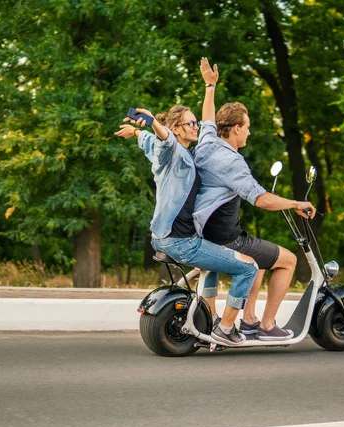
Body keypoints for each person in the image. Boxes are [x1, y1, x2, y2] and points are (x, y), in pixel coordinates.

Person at [114, 65, 258, 346]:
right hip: (181, 242)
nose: (197, 126)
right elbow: (164, 139)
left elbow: (157, 138)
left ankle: (211, 319)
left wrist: (135, 133)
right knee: (249, 267)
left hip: (165, 237)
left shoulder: (168, 152)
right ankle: (227, 329)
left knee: (213, 262)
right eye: (190, 124)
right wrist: (151, 123)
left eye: (195, 123)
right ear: (176, 129)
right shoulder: (175, 152)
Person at [193, 61, 316, 341]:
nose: (249, 132)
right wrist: (296, 203)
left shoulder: (207, 142)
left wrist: (209, 86)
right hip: (226, 239)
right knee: (288, 260)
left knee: (258, 261)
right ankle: (268, 325)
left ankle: (248, 320)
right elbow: (261, 200)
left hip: (204, 232)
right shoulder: (232, 162)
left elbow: (207, 117)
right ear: (235, 128)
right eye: (247, 127)